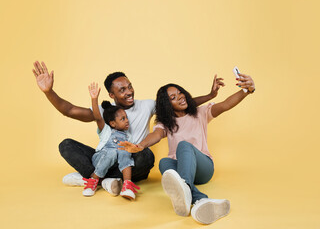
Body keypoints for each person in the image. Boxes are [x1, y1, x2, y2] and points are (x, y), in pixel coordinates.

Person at [32, 61, 224, 196]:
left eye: (130, 86)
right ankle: (106, 180)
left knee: (147, 156)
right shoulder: (105, 111)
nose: (129, 91)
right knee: (66, 145)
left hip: (132, 162)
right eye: (122, 90)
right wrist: (49, 92)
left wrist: (209, 95)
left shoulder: (147, 105)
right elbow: (70, 110)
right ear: (111, 94)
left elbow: (178, 104)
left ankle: (94, 178)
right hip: (106, 157)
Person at [119, 72, 255, 224]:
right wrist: (140, 146)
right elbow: (156, 135)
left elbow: (225, 105)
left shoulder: (200, 113)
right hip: (182, 169)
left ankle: (186, 192)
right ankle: (199, 200)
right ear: (167, 105)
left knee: (183, 145)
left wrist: (246, 90)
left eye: (180, 92)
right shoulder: (166, 123)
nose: (180, 97)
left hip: (204, 169)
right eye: (173, 97)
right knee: (164, 163)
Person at [83, 82, 139, 199]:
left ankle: (127, 185)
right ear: (113, 123)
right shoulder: (106, 130)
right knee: (112, 151)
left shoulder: (128, 136)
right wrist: (94, 99)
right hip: (101, 158)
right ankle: (93, 180)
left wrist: (134, 148)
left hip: (114, 165)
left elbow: (130, 151)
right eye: (123, 119)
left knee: (125, 151)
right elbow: (98, 117)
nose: (127, 121)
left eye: (126, 118)